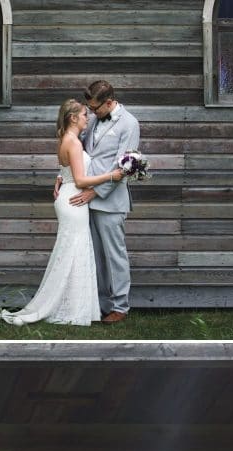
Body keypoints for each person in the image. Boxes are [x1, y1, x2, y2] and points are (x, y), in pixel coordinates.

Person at [0, 99, 125, 328]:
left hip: (69, 195)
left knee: (74, 253)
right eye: (85, 114)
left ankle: (74, 306)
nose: (88, 118)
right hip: (74, 200)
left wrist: (60, 177)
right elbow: (82, 179)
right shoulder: (72, 142)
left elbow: (67, 170)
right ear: (73, 118)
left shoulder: (68, 138)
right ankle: (68, 308)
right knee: (73, 252)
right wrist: (112, 175)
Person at [76, 80, 141, 324]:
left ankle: (120, 306)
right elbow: (83, 152)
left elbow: (124, 166)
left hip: (110, 201)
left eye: (96, 108)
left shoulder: (129, 123)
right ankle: (102, 305)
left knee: (115, 255)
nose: (92, 113)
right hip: (88, 198)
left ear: (110, 102)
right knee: (96, 255)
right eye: (90, 109)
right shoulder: (93, 119)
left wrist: (95, 191)